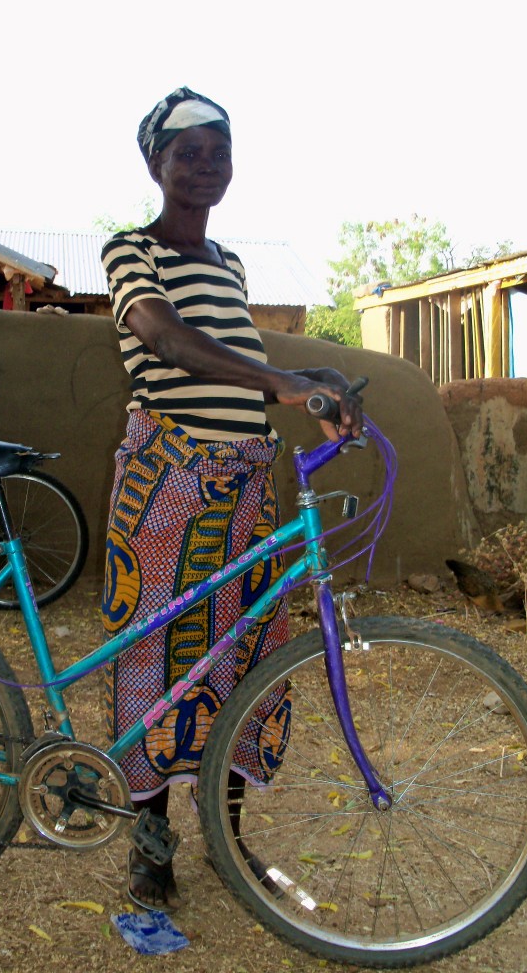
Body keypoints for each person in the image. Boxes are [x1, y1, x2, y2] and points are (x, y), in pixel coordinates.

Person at [100, 87, 363, 913]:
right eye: (190, 151)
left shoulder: (230, 266)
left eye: (220, 150)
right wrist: (282, 381)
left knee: (242, 657)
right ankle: (150, 837)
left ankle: (226, 824)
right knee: (154, 661)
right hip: (166, 483)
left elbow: (236, 353)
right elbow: (166, 339)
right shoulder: (129, 250)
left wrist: (313, 381)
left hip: (243, 486)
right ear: (157, 164)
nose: (207, 165)